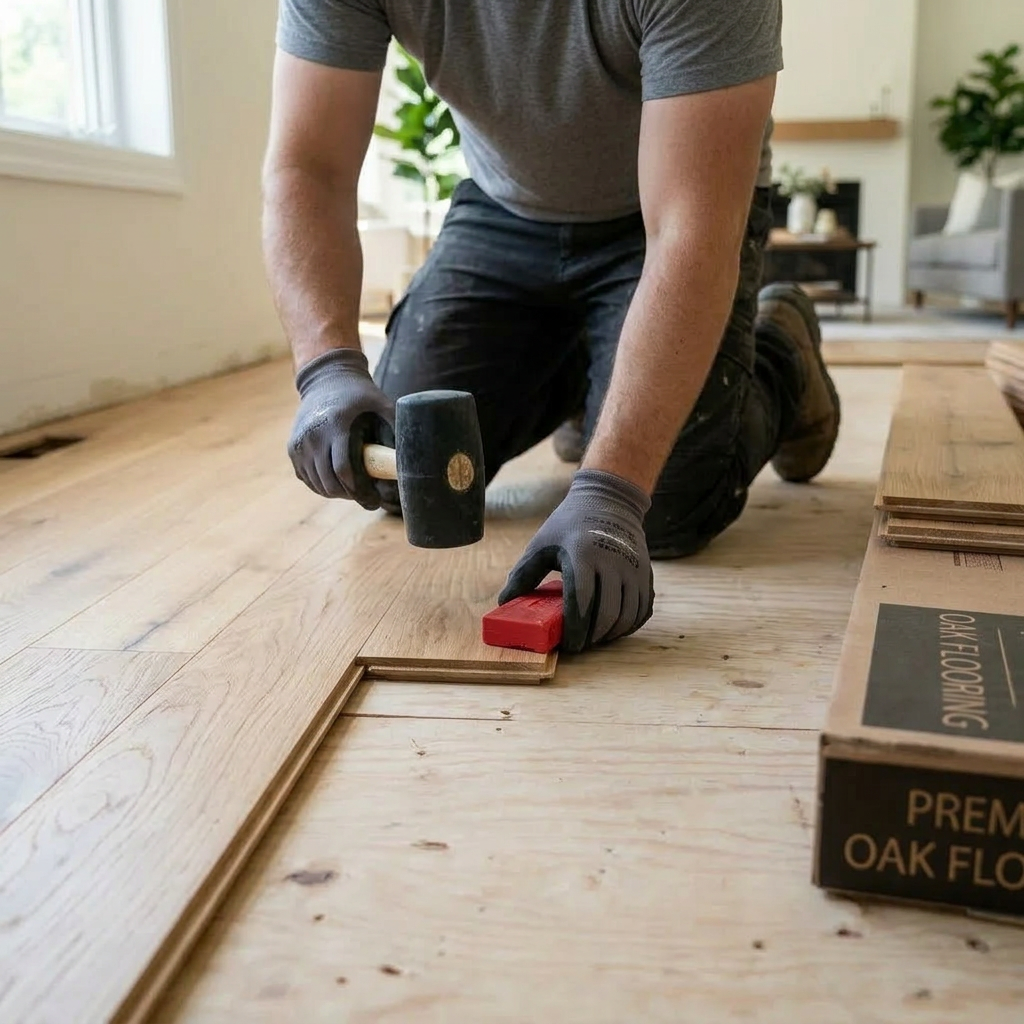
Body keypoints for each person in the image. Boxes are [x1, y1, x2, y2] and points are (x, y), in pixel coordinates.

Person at [266, 0, 841, 653]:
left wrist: (613, 488)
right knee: (408, 472)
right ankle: (600, 368)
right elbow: (307, 168)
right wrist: (327, 368)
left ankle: (781, 345)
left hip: (670, 216)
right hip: (506, 208)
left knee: (668, 510)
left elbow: (691, 233)